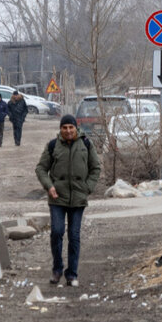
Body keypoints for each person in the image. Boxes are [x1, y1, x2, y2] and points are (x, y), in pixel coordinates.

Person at [35, 114, 101, 288]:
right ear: (60, 129)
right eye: (64, 128)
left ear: (76, 127)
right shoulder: (52, 145)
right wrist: (49, 186)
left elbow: (96, 168)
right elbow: (41, 168)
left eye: (71, 127)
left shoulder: (86, 144)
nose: (68, 131)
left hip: (78, 198)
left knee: (74, 235)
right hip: (57, 197)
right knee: (57, 232)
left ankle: (72, 274)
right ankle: (57, 270)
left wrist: (87, 187)